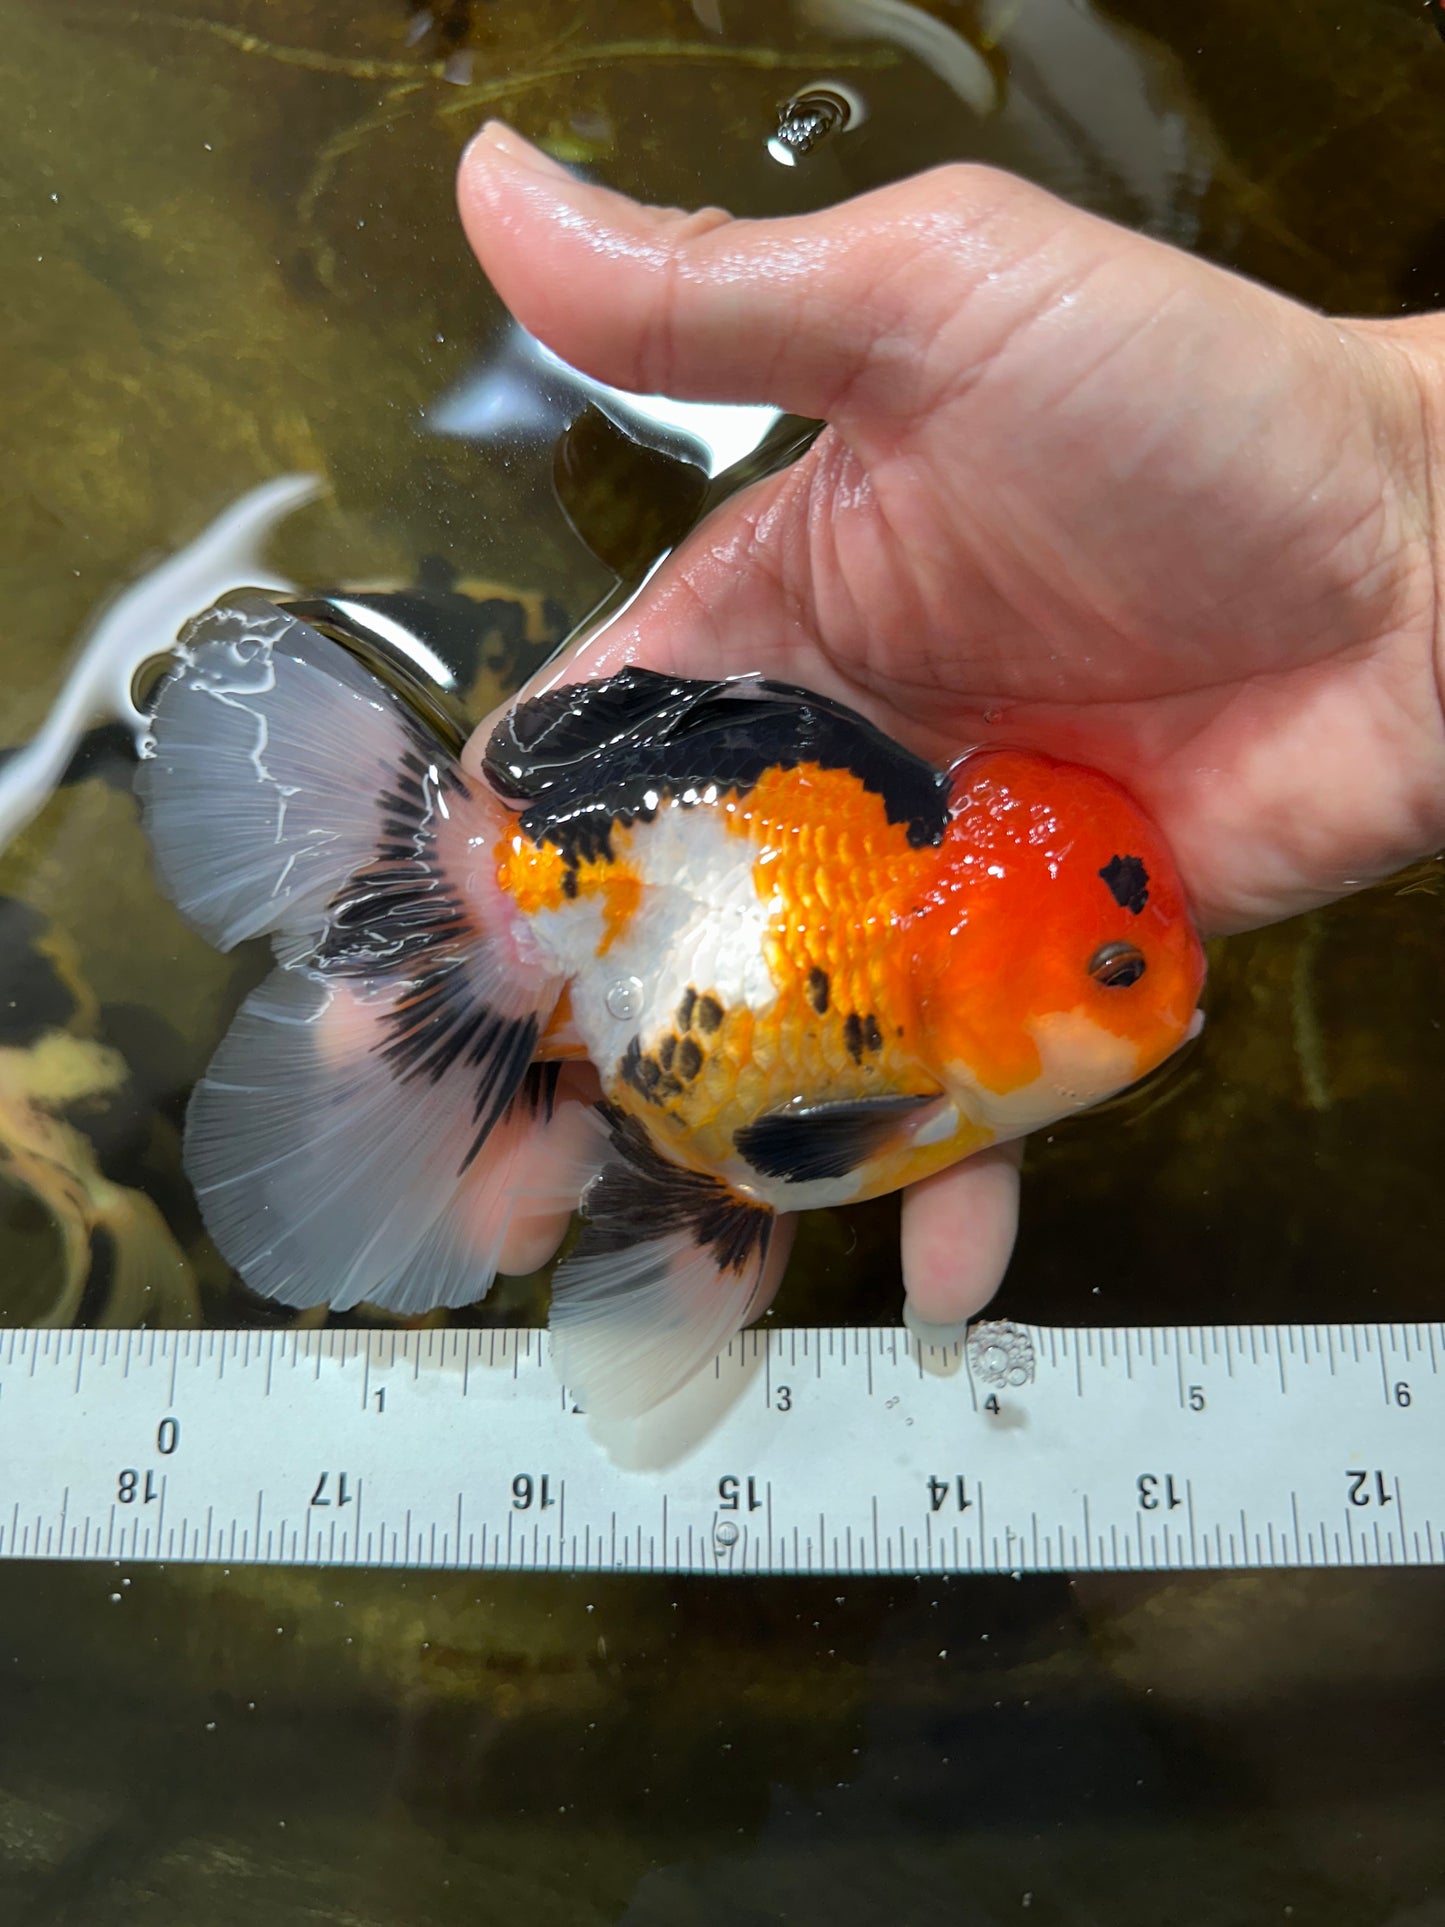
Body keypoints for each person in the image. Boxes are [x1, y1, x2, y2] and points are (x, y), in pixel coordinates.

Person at [453, 123, 1445, 1338]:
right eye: (1117, 975)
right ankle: (474, 942)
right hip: (610, 935)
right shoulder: (920, 1034)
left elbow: (782, 1147)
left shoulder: (931, 1033)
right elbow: (792, 1150)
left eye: (1122, 968)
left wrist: (1409, 490)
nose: (1176, 1007)